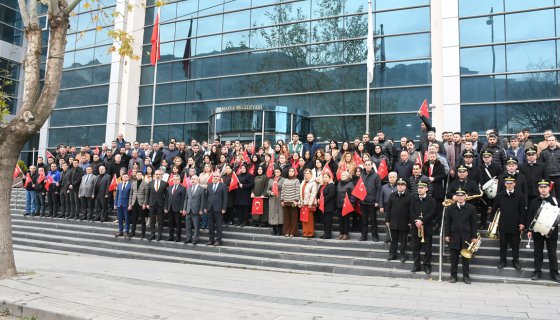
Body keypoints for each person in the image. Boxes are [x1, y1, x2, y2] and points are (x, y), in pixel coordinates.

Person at [527, 179, 560, 282]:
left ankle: (554, 273)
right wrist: (529, 230)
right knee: (537, 253)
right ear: (538, 189)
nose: (543, 189)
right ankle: (537, 272)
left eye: (545, 187)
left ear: (549, 188)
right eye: (541, 187)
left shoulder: (556, 201)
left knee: (552, 253)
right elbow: (530, 216)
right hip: (537, 231)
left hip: (551, 232)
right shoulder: (533, 201)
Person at [491, 177, 526, 270]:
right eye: (507, 183)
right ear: (505, 184)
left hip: (516, 224)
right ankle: (502, 261)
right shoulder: (500, 195)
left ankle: (515, 262)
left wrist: (522, 223)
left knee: (515, 245)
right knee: (503, 244)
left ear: (514, 184)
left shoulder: (520, 195)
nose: (509, 185)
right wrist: (492, 222)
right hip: (503, 224)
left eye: (511, 183)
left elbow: (523, 211)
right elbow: (494, 208)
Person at [444, 189, 478, 284]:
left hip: (466, 237)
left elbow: (474, 224)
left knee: (466, 259)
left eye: (462, 195)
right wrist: (446, 235)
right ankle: (453, 276)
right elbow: (447, 223)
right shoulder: (450, 208)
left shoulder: (471, 208)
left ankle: (466, 277)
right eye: (458, 195)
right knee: (454, 258)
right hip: (454, 236)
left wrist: (474, 236)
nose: (460, 197)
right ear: (456, 197)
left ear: (465, 197)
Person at [409, 181, 436, 274]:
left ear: (426, 189)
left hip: (427, 227)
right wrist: (416, 221)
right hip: (415, 226)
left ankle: (427, 265)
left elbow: (432, 212)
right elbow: (411, 211)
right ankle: (416, 265)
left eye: (422, 188)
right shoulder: (413, 199)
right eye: (418, 188)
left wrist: (422, 221)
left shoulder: (431, 200)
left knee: (427, 248)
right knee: (415, 248)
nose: (419, 189)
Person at [385, 178, 411, 262]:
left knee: (403, 241)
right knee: (393, 240)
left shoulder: (409, 196)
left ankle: (403, 255)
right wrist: (387, 220)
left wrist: (410, 221)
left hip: (404, 222)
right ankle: (393, 254)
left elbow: (411, 210)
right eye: (398, 185)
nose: (400, 186)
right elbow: (388, 208)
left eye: (402, 185)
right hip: (394, 221)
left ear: (405, 186)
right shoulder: (392, 195)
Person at [359, 159, 381, 242]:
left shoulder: (376, 175)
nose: (367, 166)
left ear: (372, 166)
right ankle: (363, 235)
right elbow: (359, 187)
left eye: (369, 164)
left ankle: (375, 235)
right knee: (364, 220)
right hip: (363, 201)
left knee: (373, 220)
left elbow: (379, 189)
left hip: (372, 202)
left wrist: (377, 201)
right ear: (364, 166)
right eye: (366, 165)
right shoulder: (362, 175)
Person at [182, 175, 205, 245]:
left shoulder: (201, 189)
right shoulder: (188, 188)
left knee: (196, 226)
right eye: (192, 179)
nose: (193, 180)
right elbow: (186, 199)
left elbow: (202, 200)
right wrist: (184, 208)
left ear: (198, 180)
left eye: (194, 179)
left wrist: (201, 209)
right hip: (188, 210)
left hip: (196, 210)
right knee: (188, 226)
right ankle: (188, 238)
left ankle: (195, 239)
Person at [206, 172, 228, 246]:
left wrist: (224, 208)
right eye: (214, 176)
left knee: (218, 225)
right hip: (210, 208)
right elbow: (207, 197)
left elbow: (225, 198)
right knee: (210, 225)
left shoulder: (223, 186)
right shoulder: (209, 185)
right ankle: (211, 240)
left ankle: (218, 240)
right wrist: (205, 207)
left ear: (219, 177)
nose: (215, 177)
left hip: (219, 208)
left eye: (217, 176)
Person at [146, 170, 168, 241]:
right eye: (156, 174)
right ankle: (152, 234)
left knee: (160, 220)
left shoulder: (165, 184)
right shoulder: (150, 183)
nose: (158, 175)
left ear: (161, 175)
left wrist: (165, 206)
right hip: (152, 204)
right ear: (154, 175)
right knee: (152, 220)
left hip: (161, 205)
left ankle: (159, 235)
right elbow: (148, 194)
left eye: (159, 174)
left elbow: (166, 196)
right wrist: (147, 203)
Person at [164, 175, 186, 242]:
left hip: (178, 209)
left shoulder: (182, 188)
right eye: (174, 179)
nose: (175, 180)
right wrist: (166, 207)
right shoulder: (170, 188)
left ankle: (178, 237)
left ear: (179, 180)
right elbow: (167, 198)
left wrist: (182, 208)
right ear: (172, 180)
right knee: (170, 223)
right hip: (170, 208)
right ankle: (171, 236)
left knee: (178, 224)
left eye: (177, 179)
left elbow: (183, 199)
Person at [128, 171, 148, 239]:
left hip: (141, 204)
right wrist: (130, 204)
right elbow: (131, 194)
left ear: (142, 175)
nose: (138, 175)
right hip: (134, 203)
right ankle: (132, 232)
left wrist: (145, 203)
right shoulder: (133, 183)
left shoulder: (145, 183)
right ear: (136, 175)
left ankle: (143, 234)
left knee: (142, 220)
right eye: (137, 174)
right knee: (134, 219)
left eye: (140, 174)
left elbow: (146, 195)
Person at [281, 167, 301, 237]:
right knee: (286, 218)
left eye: (292, 171)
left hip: (293, 202)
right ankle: (287, 232)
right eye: (290, 171)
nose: (291, 172)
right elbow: (283, 190)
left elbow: (297, 191)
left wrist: (296, 200)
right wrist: (282, 200)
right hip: (286, 202)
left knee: (293, 218)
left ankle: (293, 232)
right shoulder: (285, 180)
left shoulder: (297, 180)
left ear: (294, 172)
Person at [336, 171, 355, 240]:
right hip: (339, 205)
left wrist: (352, 203)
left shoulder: (350, 184)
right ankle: (341, 233)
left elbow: (353, 195)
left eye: (343, 175)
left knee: (346, 220)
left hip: (346, 206)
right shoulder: (339, 183)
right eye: (341, 175)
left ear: (347, 176)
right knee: (340, 220)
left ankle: (346, 234)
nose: (342, 176)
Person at [300, 169, 318, 238]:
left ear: (311, 174)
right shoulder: (303, 182)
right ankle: (305, 233)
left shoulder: (313, 183)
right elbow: (300, 193)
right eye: (305, 173)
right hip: (303, 203)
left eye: (308, 173)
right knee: (304, 219)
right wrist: (300, 202)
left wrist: (310, 203)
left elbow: (313, 194)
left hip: (309, 204)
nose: (306, 175)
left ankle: (310, 233)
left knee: (309, 220)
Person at [267, 168, 284, 235]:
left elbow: (284, 189)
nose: (277, 173)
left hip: (280, 198)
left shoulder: (283, 180)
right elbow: (267, 190)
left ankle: (279, 230)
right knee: (273, 213)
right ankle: (274, 229)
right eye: (275, 172)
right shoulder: (271, 180)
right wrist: (270, 193)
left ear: (280, 173)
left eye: (278, 172)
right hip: (272, 199)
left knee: (280, 213)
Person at [114, 173, 132, 238]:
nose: (125, 178)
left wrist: (130, 204)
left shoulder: (131, 185)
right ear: (122, 177)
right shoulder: (119, 184)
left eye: (126, 177)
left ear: (128, 178)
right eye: (124, 177)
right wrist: (115, 203)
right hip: (119, 204)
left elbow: (131, 195)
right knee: (120, 219)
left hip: (126, 204)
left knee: (127, 219)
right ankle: (120, 231)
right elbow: (117, 195)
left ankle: (126, 232)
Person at [320, 173, 336, 239]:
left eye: (326, 177)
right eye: (323, 177)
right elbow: (319, 194)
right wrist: (319, 199)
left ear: (329, 178)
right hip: (323, 206)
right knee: (324, 221)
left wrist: (322, 200)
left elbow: (331, 195)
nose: (324, 178)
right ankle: (325, 233)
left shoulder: (331, 185)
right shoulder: (322, 186)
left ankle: (328, 234)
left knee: (328, 221)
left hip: (329, 206)